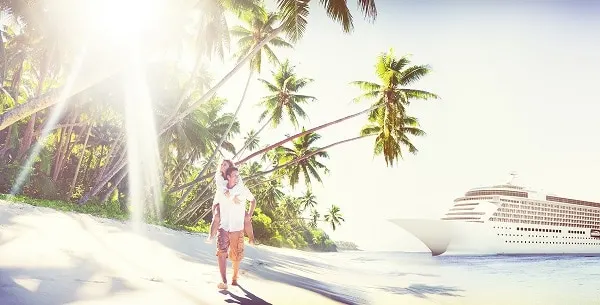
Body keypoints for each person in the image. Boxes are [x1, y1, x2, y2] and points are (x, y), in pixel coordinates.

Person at [214, 166, 256, 289]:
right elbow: (215, 203)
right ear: (228, 177)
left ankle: (234, 277)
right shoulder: (221, 190)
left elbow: (253, 200)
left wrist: (249, 215)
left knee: (236, 254)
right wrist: (216, 215)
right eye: (235, 175)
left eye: (238, 175)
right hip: (224, 225)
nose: (238, 177)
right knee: (221, 252)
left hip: (237, 227)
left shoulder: (242, 189)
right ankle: (224, 280)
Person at [206, 160, 255, 245]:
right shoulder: (218, 176)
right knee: (217, 216)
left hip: (233, 204)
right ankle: (211, 237)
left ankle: (252, 239)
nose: (222, 166)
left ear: (230, 167)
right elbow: (223, 190)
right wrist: (232, 197)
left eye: (224, 165)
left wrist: (250, 214)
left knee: (246, 217)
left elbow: (239, 188)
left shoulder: (237, 177)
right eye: (221, 164)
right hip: (220, 202)